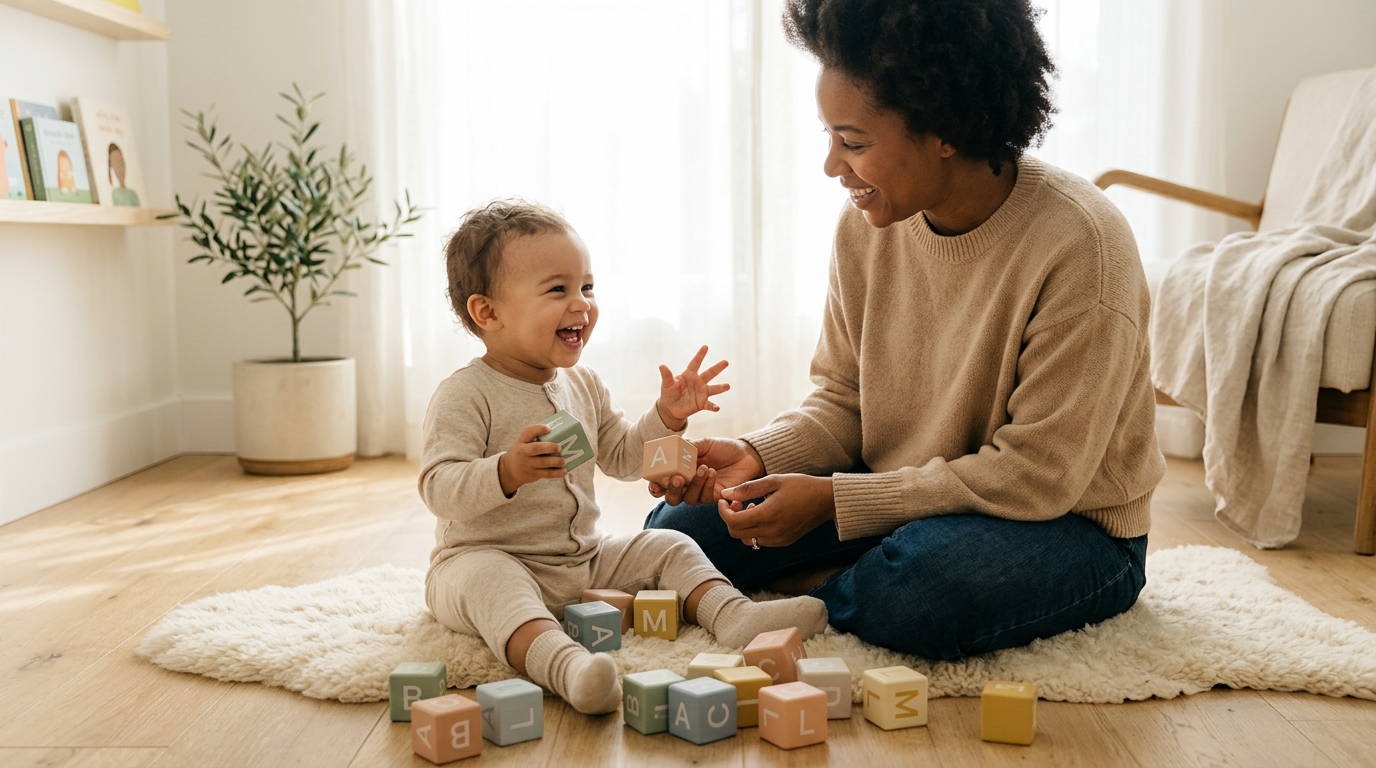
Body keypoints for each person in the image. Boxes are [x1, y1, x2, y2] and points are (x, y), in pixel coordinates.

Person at [646, 0, 1166, 661]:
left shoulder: (1082, 244)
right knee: (679, 530)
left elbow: (1037, 477)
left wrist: (835, 503)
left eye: (853, 142)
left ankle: (829, 587)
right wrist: (759, 456)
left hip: (1068, 526)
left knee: (921, 589)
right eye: (829, 137)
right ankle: (853, 571)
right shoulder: (865, 227)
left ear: (945, 126)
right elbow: (842, 403)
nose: (832, 166)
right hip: (910, 490)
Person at [419, 199, 829, 715]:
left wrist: (668, 417)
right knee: (492, 585)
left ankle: (733, 616)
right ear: (489, 312)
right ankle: (567, 668)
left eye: (587, 287)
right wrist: (506, 470)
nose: (582, 305)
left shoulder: (583, 384)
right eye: (557, 290)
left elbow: (622, 456)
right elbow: (438, 486)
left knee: (669, 542)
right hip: (485, 559)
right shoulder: (465, 395)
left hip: (581, 560)